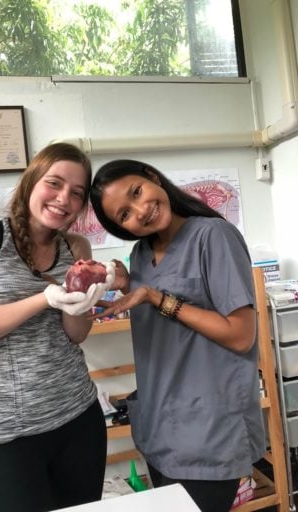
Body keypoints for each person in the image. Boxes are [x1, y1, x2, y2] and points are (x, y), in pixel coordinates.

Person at [89, 159, 266, 512]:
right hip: (159, 430)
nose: (141, 211)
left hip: (208, 431)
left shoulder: (213, 236)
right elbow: (160, 317)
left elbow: (241, 335)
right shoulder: (140, 254)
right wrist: (128, 285)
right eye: (124, 215)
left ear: (153, 178)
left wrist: (156, 297)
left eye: (137, 192)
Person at [0, 142, 115, 512]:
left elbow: (76, 334)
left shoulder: (77, 247)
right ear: (30, 183)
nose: (63, 199)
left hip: (78, 419)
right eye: (54, 184)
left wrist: (82, 302)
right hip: (5, 433)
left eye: (76, 192)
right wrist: (46, 298)